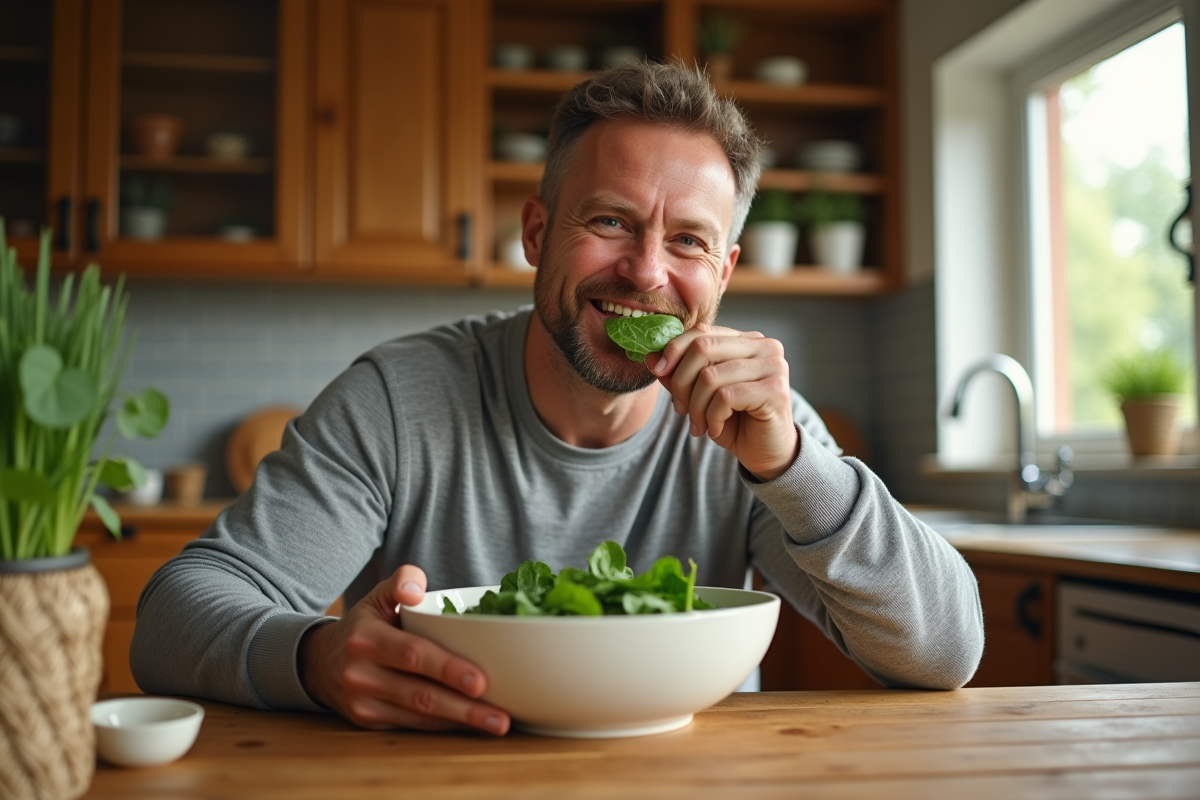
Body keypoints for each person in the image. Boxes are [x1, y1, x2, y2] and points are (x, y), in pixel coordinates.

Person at [131, 61, 984, 736]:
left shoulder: (756, 430)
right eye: (610, 222)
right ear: (538, 233)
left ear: (722, 274)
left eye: (688, 241)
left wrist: (795, 468)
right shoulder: (396, 401)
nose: (645, 272)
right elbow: (171, 619)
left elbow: (947, 654)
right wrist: (314, 658)